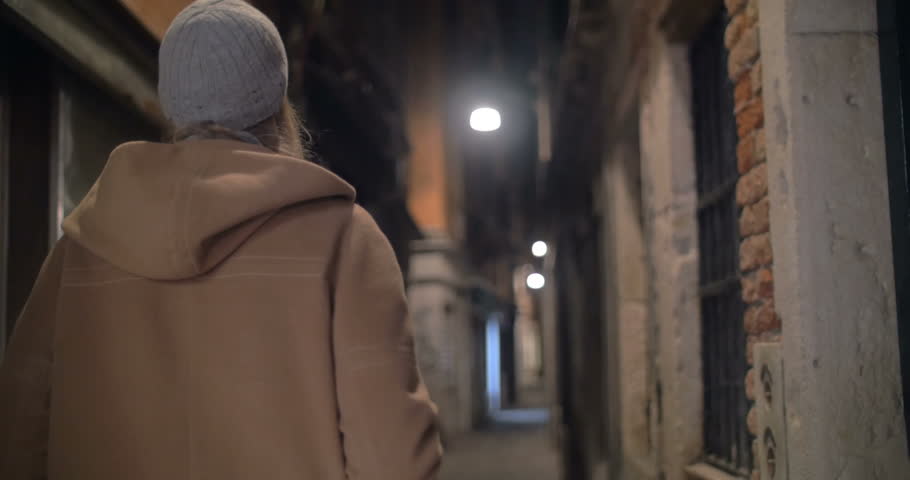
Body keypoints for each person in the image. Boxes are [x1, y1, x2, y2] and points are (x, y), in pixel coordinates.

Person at [0, 1, 442, 478]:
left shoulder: (82, 247)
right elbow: (392, 459)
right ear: (276, 99)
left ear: (172, 100)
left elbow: (19, 430)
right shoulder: (345, 240)